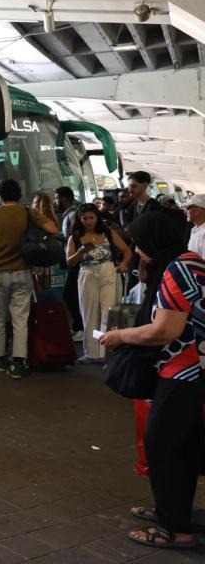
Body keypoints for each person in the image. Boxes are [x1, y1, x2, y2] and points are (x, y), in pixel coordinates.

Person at [99, 209, 205, 551]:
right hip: (189, 368)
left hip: (186, 370)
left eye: (141, 242)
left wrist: (120, 336)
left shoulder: (179, 269)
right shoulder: (188, 262)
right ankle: (171, 512)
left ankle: (175, 529)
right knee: (180, 445)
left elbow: (165, 329)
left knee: (163, 445)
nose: (137, 249)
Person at [0, 179, 58, 379]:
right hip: (22, 272)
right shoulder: (28, 212)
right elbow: (53, 228)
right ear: (19, 195)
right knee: (20, 319)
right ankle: (18, 363)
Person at [65, 203, 132, 364]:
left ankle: (106, 352)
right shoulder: (74, 237)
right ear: (80, 219)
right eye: (85, 218)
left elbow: (127, 251)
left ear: (97, 218)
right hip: (87, 274)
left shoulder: (108, 232)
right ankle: (92, 352)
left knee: (108, 313)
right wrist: (81, 251)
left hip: (109, 272)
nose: (88, 221)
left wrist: (123, 264)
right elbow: (69, 262)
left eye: (91, 217)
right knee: (89, 314)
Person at [55, 186, 83, 341]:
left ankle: (80, 327)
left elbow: (74, 237)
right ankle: (78, 326)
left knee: (70, 293)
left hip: (76, 260)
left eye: (57, 198)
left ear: (64, 198)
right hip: (72, 258)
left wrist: (58, 237)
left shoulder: (73, 214)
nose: (55, 201)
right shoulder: (69, 214)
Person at [30, 192, 59, 290]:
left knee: (39, 287)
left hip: (39, 256)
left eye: (34, 203)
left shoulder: (40, 220)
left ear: (40, 205)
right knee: (43, 286)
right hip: (43, 256)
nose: (32, 205)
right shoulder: (49, 220)